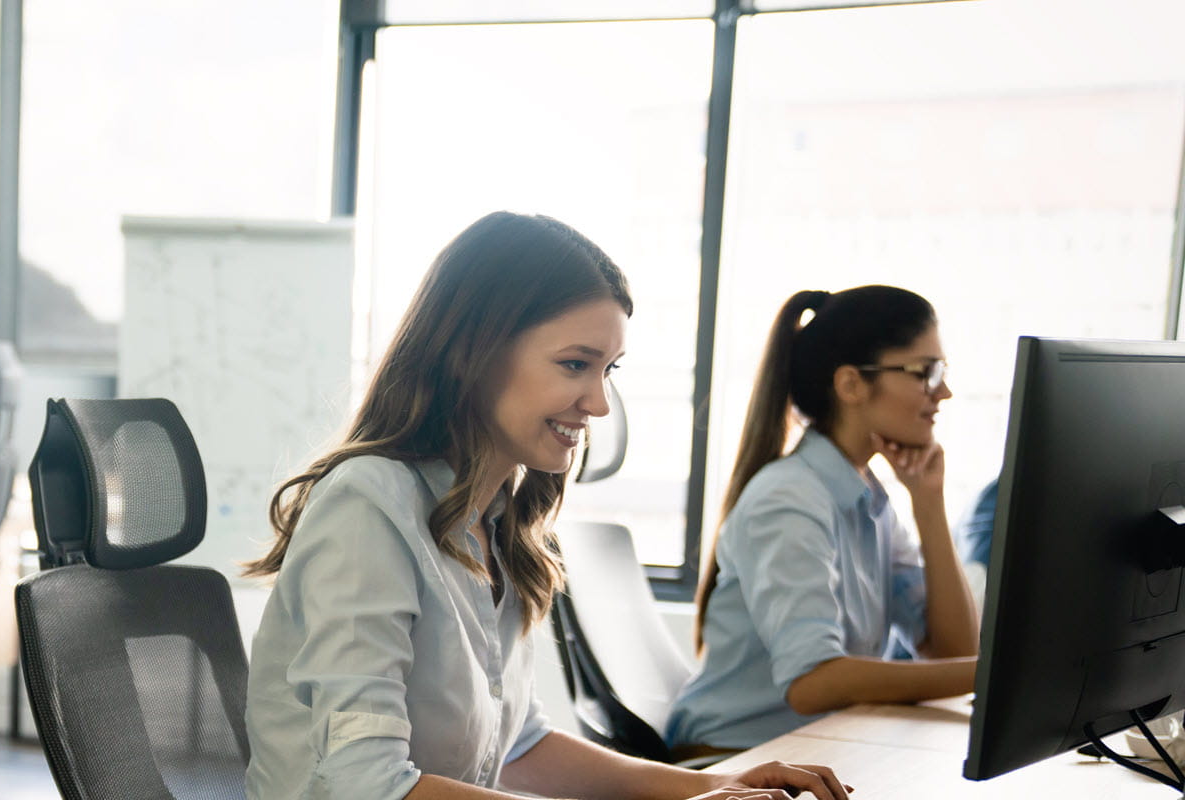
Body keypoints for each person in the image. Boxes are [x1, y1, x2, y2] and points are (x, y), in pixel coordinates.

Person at [242, 212, 849, 800]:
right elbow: (367, 785)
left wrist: (712, 783)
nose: (599, 403)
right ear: (472, 352)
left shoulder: (498, 523)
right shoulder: (367, 508)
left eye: (607, 370)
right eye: (575, 365)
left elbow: (519, 745)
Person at [665, 285, 980, 754]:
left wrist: (929, 505)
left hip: (812, 749)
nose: (945, 392)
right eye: (926, 372)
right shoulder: (789, 499)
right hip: (730, 760)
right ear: (851, 384)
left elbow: (953, 651)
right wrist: (997, 673)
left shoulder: (867, 497)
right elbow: (812, 682)